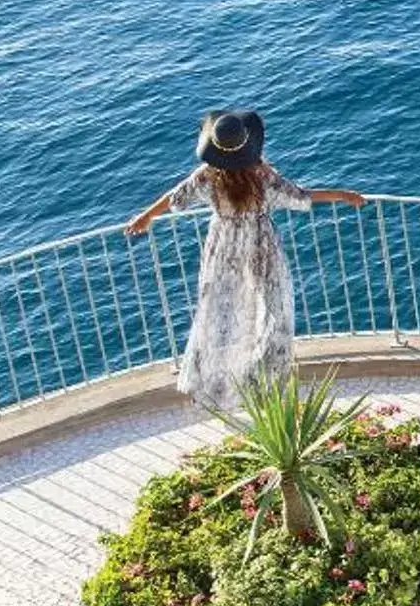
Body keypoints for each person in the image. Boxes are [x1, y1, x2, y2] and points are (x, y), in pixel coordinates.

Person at [126, 109, 367, 412]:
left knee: (219, 314)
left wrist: (145, 217)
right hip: (260, 247)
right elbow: (300, 197)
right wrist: (343, 195)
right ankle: (266, 379)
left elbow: (174, 197)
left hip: (223, 248)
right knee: (271, 311)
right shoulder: (262, 177)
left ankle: (215, 382)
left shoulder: (206, 178)